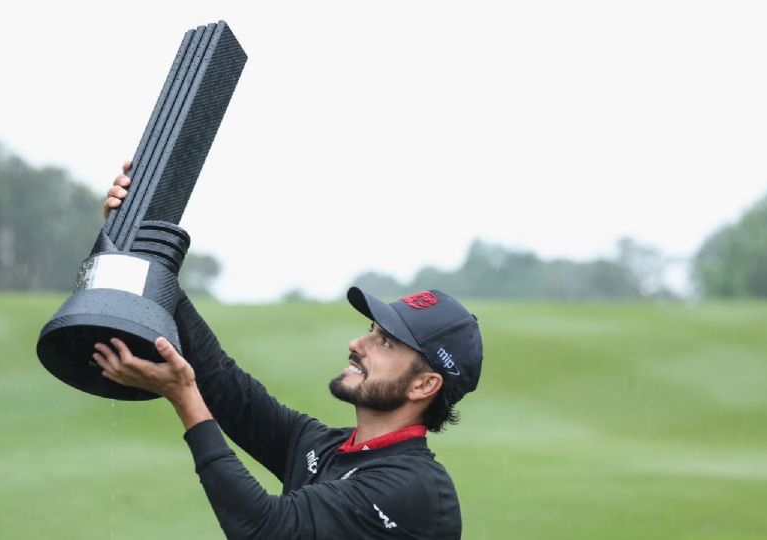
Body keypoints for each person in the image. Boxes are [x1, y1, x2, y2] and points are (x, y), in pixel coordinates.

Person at [94, 163, 484, 539]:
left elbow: (265, 529)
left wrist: (184, 397)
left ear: (423, 385)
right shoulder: (324, 447)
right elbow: (225, 386)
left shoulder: (416, 490)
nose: (357, 344)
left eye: (385, 342)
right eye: (371, 330)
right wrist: (139, 245)